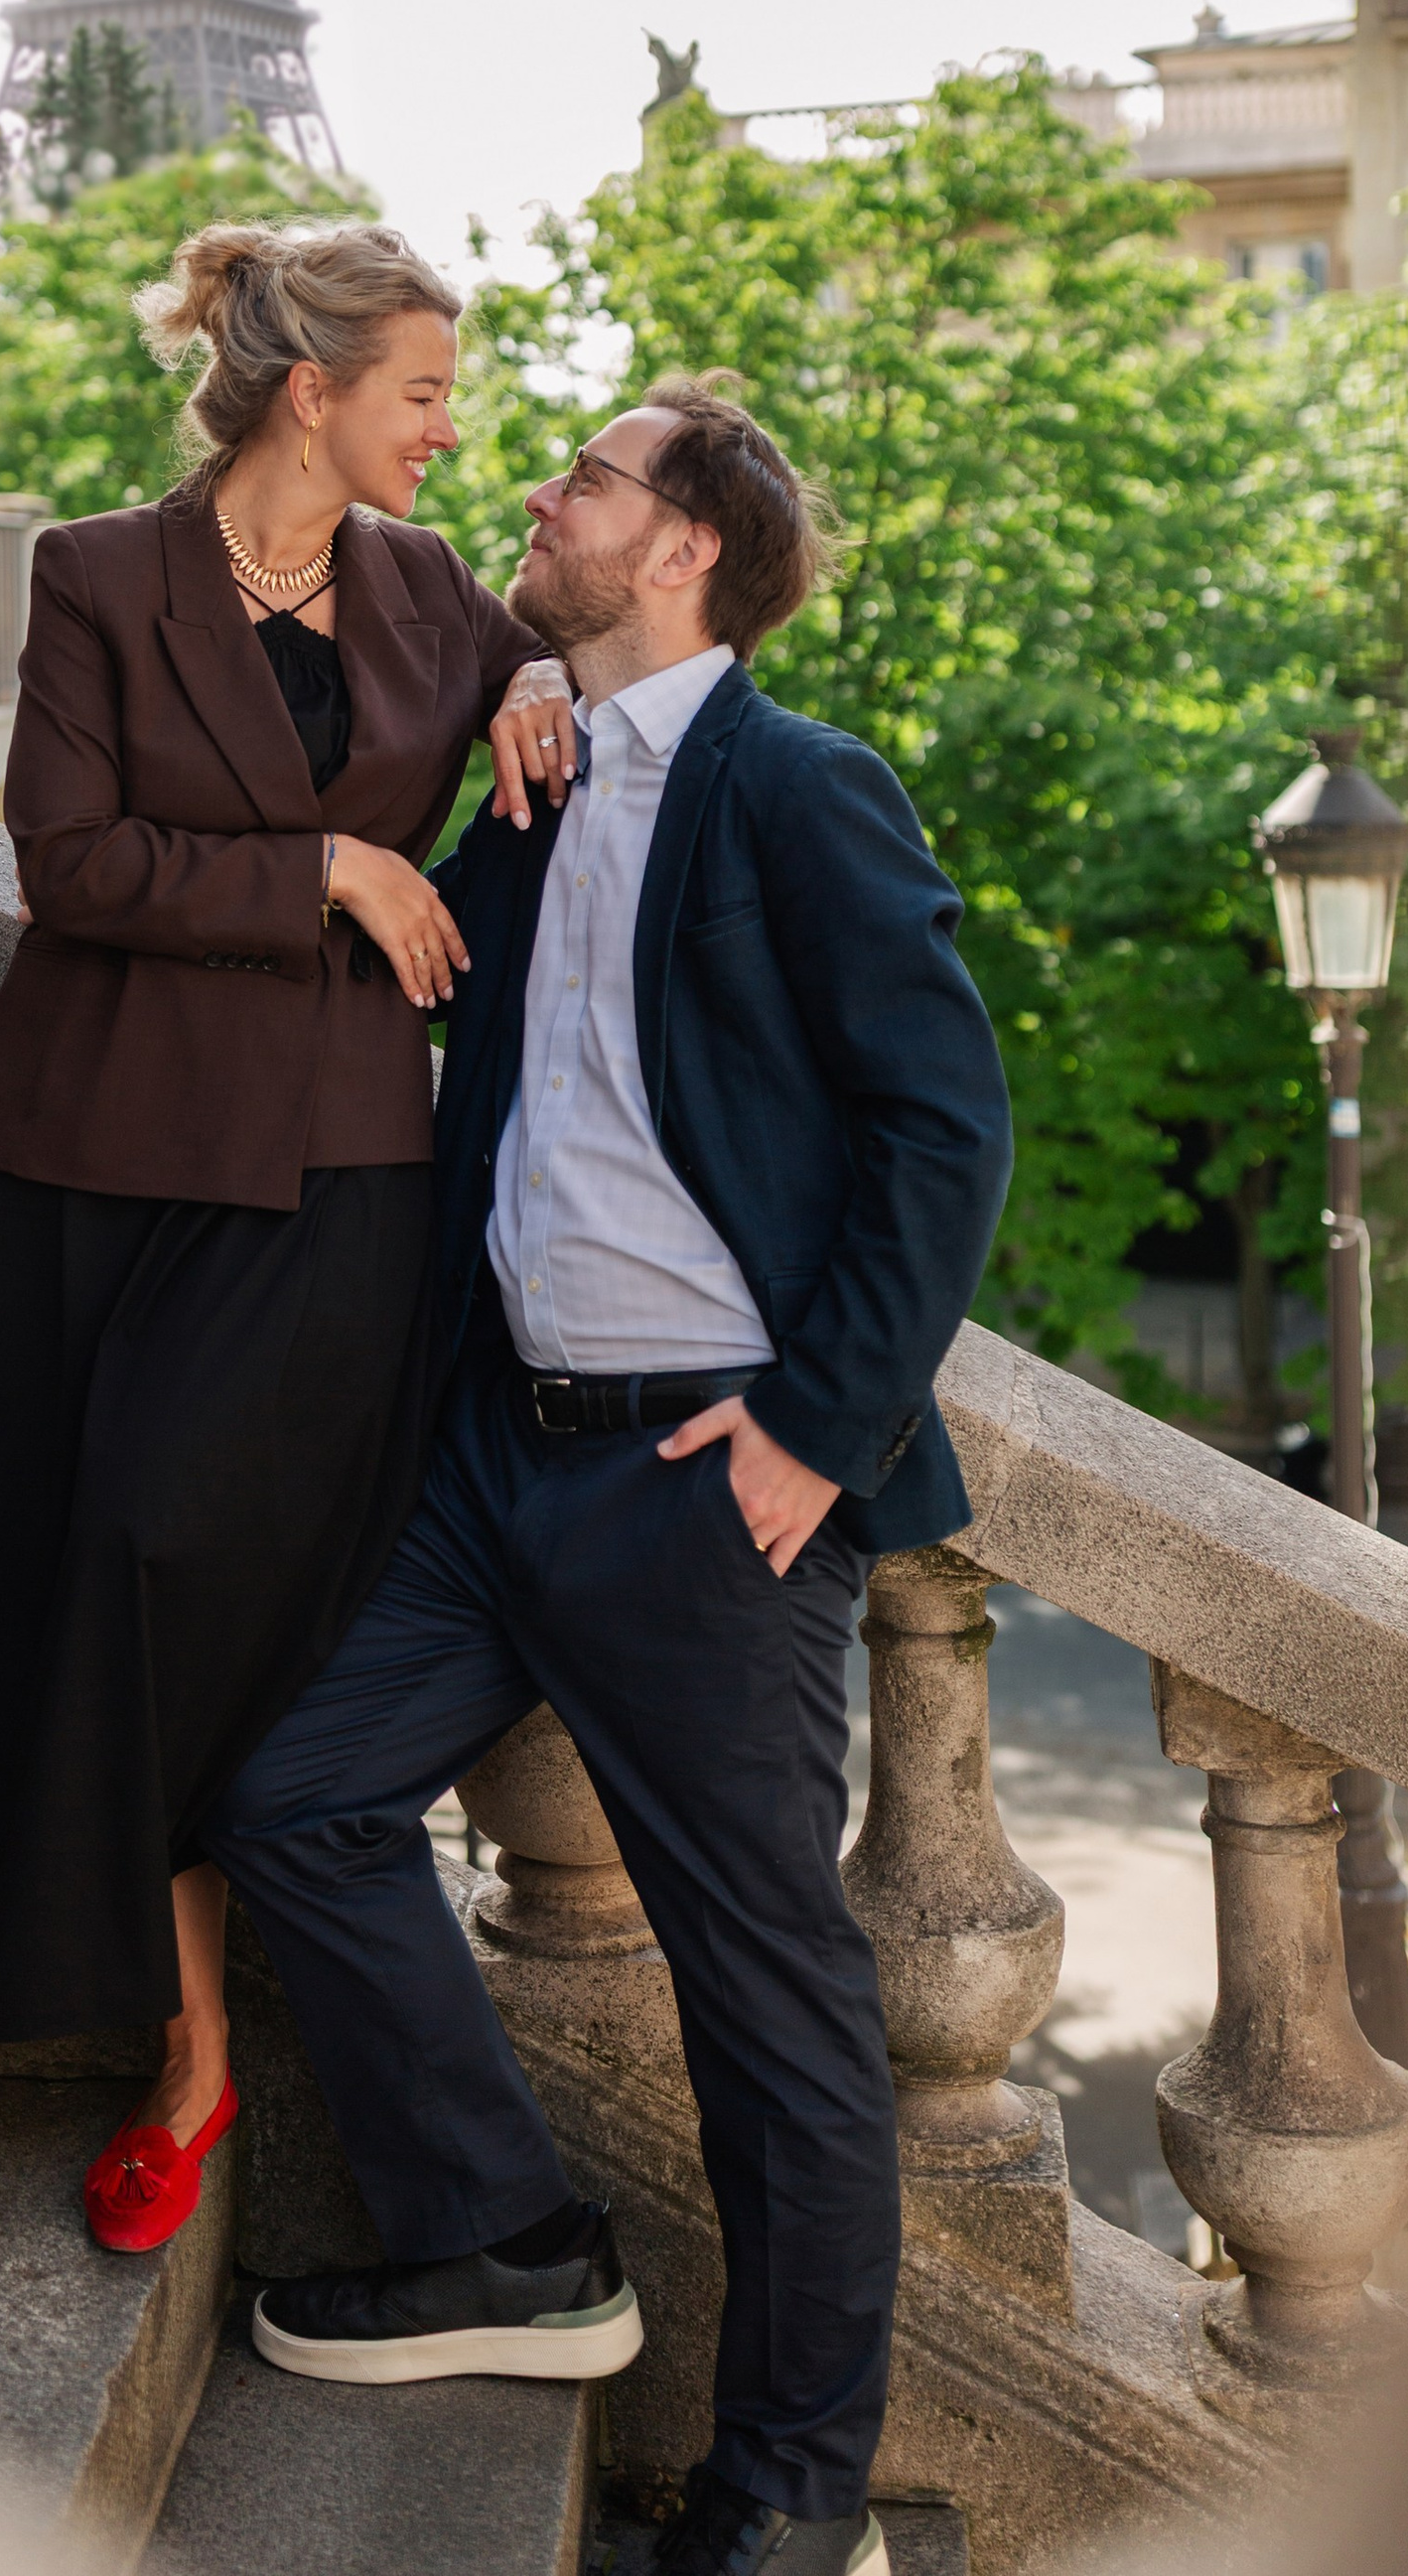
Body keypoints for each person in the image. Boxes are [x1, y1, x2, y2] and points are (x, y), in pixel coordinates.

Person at [204, 376, 1014, 2576]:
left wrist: (811, 1429)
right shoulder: (543, 784)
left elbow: (946, 1130)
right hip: (492, 1459)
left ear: (676, 551)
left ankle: (781, 2502)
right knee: (286, 1796)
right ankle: (507, 2238)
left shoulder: (799, 791)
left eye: (581, 478)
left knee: (772, 2014)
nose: (536, 499)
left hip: (696, 1479)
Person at [0, 220, 570, 2254]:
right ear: (308, 388)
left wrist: (525, 679)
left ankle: (202, 2028)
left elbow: (545, 643)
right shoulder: (96, 574)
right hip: (97, 1159)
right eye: (422, 389)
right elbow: (68, 861)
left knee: (204, 1562)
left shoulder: (431, 586)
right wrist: (330, 860)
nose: (450, 426)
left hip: (341, 1163)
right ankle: (183, 2051)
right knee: (78, 1566)